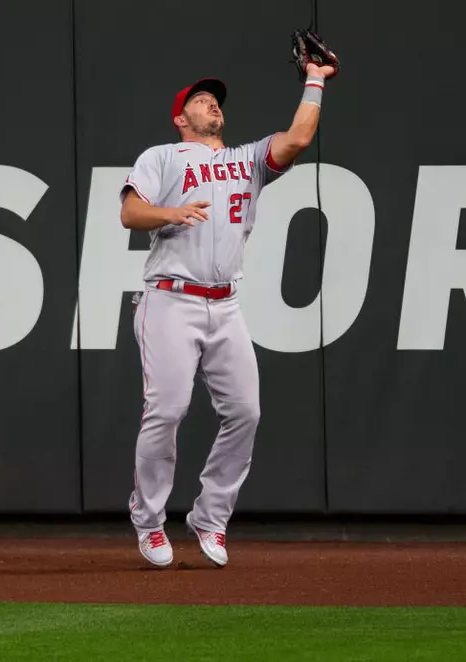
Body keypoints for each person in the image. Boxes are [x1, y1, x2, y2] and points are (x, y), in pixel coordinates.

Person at [118, 60, 336, 569]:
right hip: (170, 300)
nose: (212, 103)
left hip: (225, 303)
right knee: (166, 412)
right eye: (200, 99)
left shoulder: (247, 159)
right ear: (181, 117)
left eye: (215, 99)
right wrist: (171, 213)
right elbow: (130, 212)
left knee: (245, 412)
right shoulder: (163, 157)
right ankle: (149, 522)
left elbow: (299, 137)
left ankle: (210, 517)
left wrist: (315, 80)